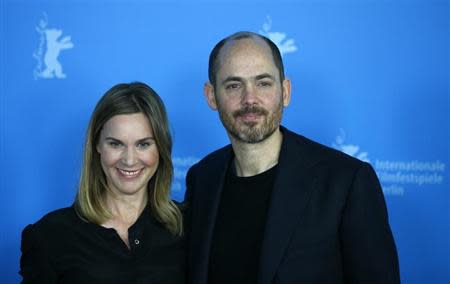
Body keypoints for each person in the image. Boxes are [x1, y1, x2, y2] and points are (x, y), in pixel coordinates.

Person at [184, 32, 400, 284]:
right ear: (211, 96)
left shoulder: (346, 182)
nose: (249, 99)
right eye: (234, 85)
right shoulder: (202, 178)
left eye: (263, 83)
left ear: (285, 91)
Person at [20, 82, 185, 283]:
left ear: (160, 147)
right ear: (97, 145)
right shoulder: (50, 235)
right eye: (116, 144)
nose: (130, 160)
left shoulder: (189, 226)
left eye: (143, 144)